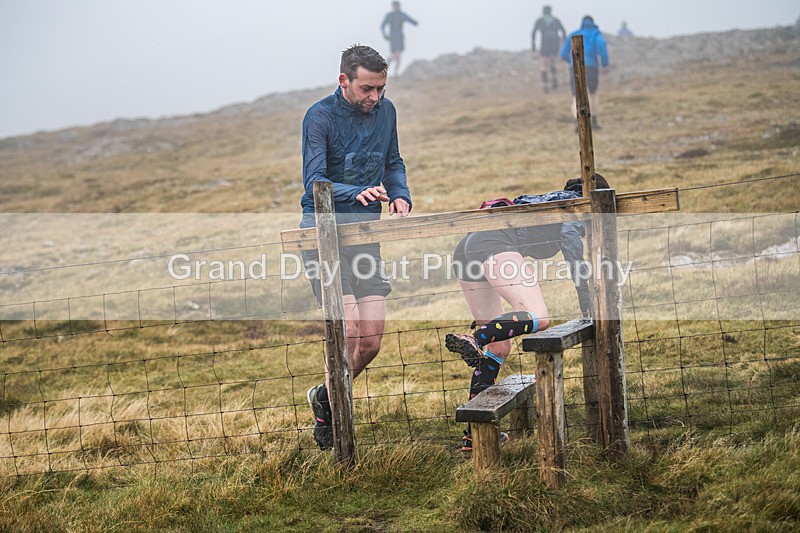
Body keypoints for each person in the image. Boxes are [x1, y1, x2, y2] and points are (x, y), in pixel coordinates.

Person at [445, 175, 610, 451]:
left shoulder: (549, 198)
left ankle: (473, 433)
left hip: (468, 245)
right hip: (494, 242)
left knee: (500, 347)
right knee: (538, 317)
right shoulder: (575, 207)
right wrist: (587, 301)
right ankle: (475, 338)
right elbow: (572, 250)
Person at [300, 44, 412, 450]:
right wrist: (356, 191)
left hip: (365, 236)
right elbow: (314, 182)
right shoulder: (319, 117)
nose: (375, 97)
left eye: (381, 88)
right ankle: (335, 420)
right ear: (344, 80)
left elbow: (393, 162)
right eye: (367, 89)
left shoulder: (387, 112)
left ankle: (324, 396)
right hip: (323, 236)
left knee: (371, 342)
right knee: (347, 332)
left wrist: (400, 194)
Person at [560, 15, 609, 130]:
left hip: (575, 66)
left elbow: (563, 54)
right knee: (592, 93)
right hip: (591, 66)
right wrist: (604, 64)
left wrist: (571, 61)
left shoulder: (573, 34)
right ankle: (594, 120)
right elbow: (602, 46)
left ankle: (578, 122)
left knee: (576, 95)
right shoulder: (596, 34)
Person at [531, 5, 566, 93]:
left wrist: (533, 45)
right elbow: (563, 31)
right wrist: (564, 44)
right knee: (552, 61)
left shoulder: (540, 20)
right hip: (555, 43)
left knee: (543, 63)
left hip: (545, 43)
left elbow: (533, 33)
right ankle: (554, 78)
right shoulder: (556, 20)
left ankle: (545, 84)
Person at [381, 1, 418, 74]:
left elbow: (409, 19)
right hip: (394, 37)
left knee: (398, 55)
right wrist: (384, 35)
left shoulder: (401, 14)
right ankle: (388, 63)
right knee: (396, 54)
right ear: (394, 7)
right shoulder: (391, 15)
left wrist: (415, 22)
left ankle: (395, 73)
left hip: (399, 37)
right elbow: (382, 26)